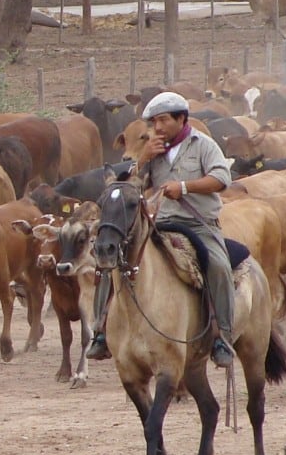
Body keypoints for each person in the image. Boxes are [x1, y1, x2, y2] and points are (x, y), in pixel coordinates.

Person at [86, 91, 237, 370]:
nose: (157, 127)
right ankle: (101, 331)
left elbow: (221, 178)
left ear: (182, 119)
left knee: (218, 265)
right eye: (153, 122)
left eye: (163, 120)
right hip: (161, 222)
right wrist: (142, 160)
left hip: (199, 223)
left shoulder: (203, 145)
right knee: (112, 262)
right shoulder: (154, 149)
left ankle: (221, 336)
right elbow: (128, 187)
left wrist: (184, 187)